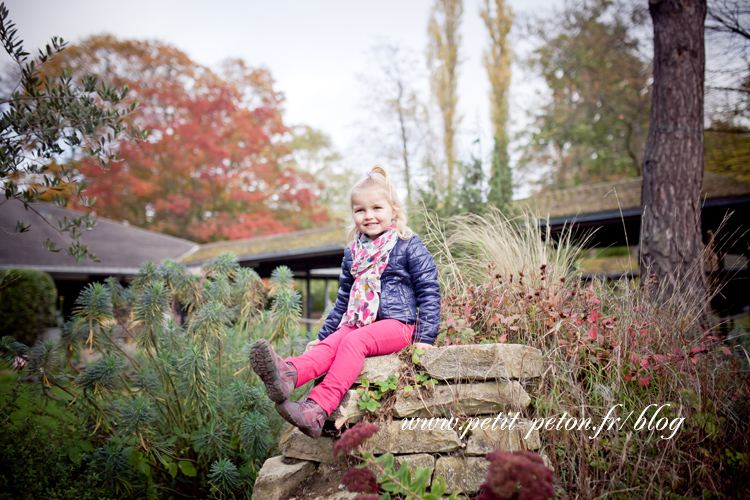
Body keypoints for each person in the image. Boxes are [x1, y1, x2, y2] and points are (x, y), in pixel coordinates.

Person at [249, 165, 441, 438]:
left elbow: (429, 291)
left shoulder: (407, 244)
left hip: (400, 325)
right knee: (334, 341)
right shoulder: (353, 252)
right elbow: (343, 300)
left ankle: (317, 408)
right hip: (361, 322)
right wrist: (323, 336)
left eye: (377, 208)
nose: (369, 215)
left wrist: (426, 338)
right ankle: (288, 375)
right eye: (360, 210)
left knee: (354, 341)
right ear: (353, 214)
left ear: (393, 210)